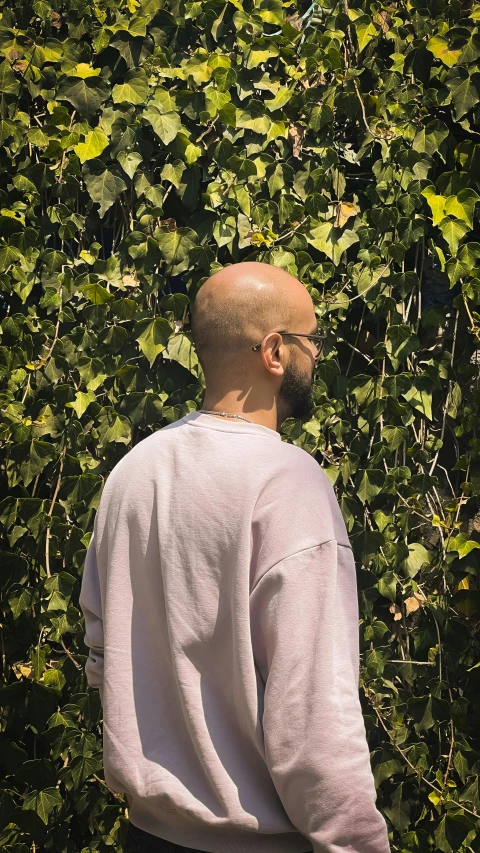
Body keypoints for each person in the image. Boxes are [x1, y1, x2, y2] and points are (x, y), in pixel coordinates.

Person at [79, 261, 391, 853]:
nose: (317, 355)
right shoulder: (287, 483)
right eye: (312, 340)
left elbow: (103, 656)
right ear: (274, 352)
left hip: (145, 835)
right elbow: (314, 720)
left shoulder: (132, 472)